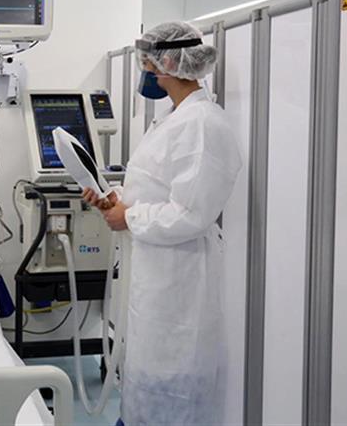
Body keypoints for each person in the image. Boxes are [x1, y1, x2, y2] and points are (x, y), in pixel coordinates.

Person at [82, 21, 242, 425]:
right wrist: (115, 199)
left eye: (148, 62)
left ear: (169, 64)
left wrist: (129, 216)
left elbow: (191, 213)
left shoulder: (202, 124)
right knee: (148, 374)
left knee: (174, 382)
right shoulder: (175, 118)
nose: (145, 70)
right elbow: (156, 186)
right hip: (156, 273)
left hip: (181, 278)